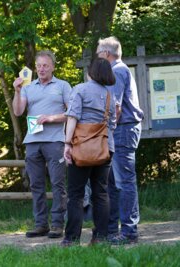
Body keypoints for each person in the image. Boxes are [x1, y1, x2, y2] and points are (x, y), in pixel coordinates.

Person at [12, 50, 71, 238]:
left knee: (57, 184)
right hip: (32, 142)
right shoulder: (29, 87)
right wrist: (17, 91)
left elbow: (72, 113)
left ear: (53, 66)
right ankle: (40, 225)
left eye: (45, 65)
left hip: (55, 141)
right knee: (36, 185)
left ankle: (57, 225)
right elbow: (18, 111)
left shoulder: (63, 86)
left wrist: (51, 118)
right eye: (38, 66)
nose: (42, 69)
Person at [61, 57, 117, 246]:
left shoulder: (80, 89)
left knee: (75, 194)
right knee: (101, 193)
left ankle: (71, 239)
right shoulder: (110, 96)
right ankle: (100, 238)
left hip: (81, 149)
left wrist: (67, 143)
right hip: (105, 149)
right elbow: (112, 125)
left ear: (91, 72)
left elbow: (73, 118)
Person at [96, 36, 144, 245]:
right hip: (122, 129)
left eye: (98, 53)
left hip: (122, 130)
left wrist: (103, 132)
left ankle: (129, 231)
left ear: (106, 54)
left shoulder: (116, 71)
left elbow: (114, 108)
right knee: (114, 182)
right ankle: (112, 230)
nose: (97, 58)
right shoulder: (121, 70)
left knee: (124, 181)